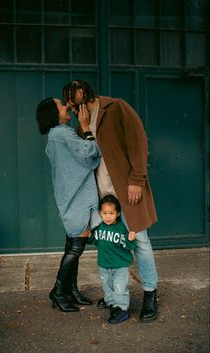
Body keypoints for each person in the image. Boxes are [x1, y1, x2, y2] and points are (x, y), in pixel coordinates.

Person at [63, 80, 159, 322]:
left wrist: (137, 179)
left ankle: (150, 293)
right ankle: (115, 295)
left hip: (127, 190)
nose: (73, 111)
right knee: (108, 244)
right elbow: (86, 157)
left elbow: (138, 141)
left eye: (74, 105)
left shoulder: (117, 108)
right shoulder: (82, 124)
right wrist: (84, 128)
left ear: (82, 95)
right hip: (102, 196)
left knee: (141, 242)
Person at [36, 97, 102, 312]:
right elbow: (89, 154)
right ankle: (57, 291)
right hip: (77, 197)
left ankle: (71, 289)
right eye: (61, 104)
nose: (66, 106)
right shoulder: (61, 133)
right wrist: (85, 128)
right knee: (76, 247)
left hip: (70, 196)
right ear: (53, 113)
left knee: (72, 244)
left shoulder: (55, 136)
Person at [88, 194, 136, 324]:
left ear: (118, 213)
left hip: (120, 265)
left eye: (111, 213)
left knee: (119, 287)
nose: (108, 216)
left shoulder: (120, 228)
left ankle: (122, 309)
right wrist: (88, 236)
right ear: (100, 213)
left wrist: (130, 239)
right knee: (108, 286)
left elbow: (128, 245)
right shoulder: (99, 228)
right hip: (104, 265)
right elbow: (96, 241)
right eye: (105, 213)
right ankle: (112, 304)